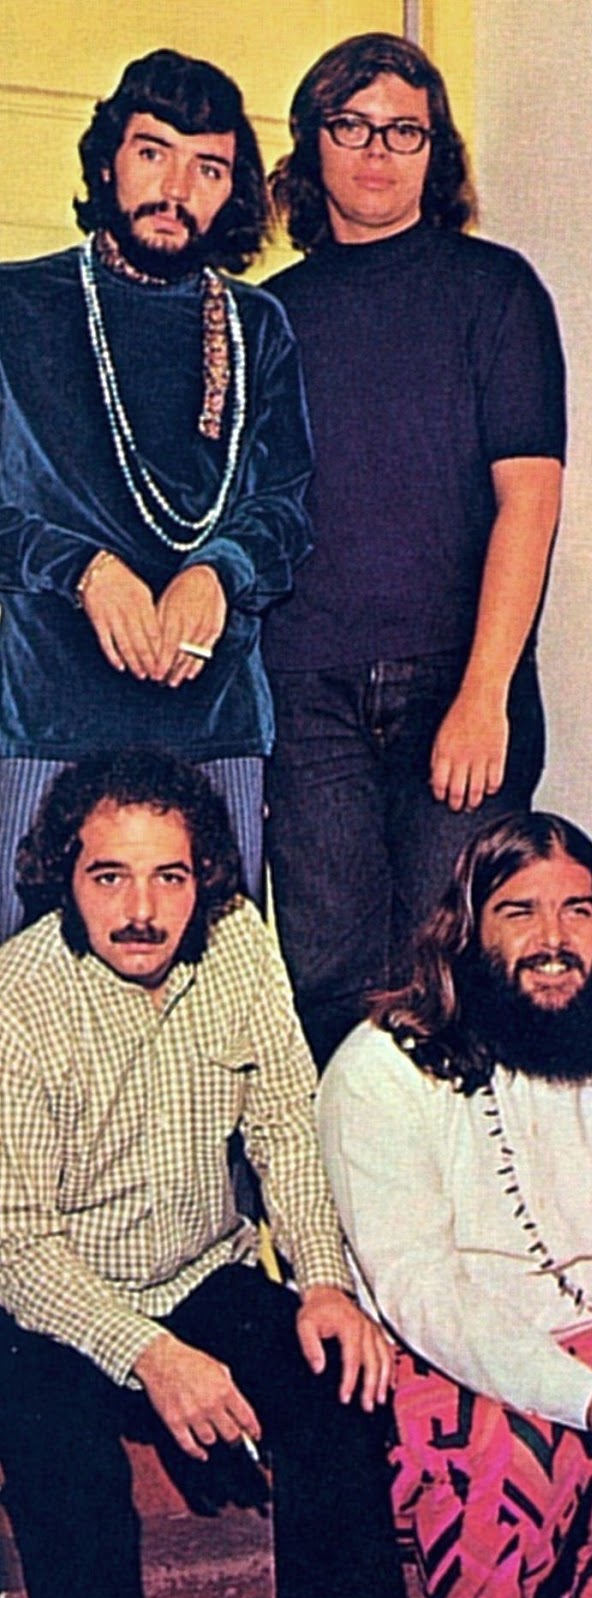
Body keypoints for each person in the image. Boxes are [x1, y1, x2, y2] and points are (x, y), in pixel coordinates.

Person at [317, 812, 592, 1598]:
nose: (552, 940)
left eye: (577, 911)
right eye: (519, 912)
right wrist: (590, 1403)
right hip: (449, 1356)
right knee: (505, 1448)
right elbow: (422, 1293)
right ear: (467, 930)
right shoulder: (381, 1068)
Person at [0, 749, 405, 1598]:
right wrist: (152, 1355)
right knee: (63, 1459)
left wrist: (323, 1283)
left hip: (200, 1273)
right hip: (55, 1301)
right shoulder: (19, 997)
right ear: (63, 876)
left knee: (340, 1389)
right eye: (109, 877)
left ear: (205, 878)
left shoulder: (239, 944)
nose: (141, 912)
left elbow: (285, 1127)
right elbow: (20, 1244)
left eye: (170, 878)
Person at [265, 34, 566, 1066]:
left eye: (404, 131)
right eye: (351, 126)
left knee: (456, 978)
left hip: (456, 685)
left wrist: (484, 693)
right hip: (306, 693)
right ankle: (351, 1176)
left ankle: (470, 1177)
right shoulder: (270, 314)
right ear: (312, 143)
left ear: (436, 153)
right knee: (328, 982)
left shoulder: (495, 290)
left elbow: (530, 499)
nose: (377, 152)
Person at [0, 50, 312, 937]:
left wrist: (217, 574)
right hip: (48, 716)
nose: (175, 188)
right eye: (152, 153)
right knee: (26, 984)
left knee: (214, 984)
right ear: (107, 163)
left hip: (213, 722)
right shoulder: (16, 306)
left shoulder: (256, 325)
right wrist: (84, 571)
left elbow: (285, 508)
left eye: (207, 168)